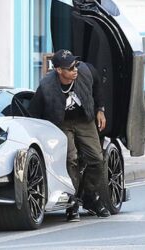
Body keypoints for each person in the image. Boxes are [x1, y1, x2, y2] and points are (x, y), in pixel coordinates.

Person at [28, 49, 111, 222]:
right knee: (70, 159)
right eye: (70, 67)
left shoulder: (86, 71)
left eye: (76, 65)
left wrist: (100, 110)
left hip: (84, 119)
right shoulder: (46, 87)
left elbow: (97, 87)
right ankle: (71, 202)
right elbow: (34, 114)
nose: (75, 69)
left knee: (97, 158)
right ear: (59, 70)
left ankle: (90, 196)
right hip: (61, 123)